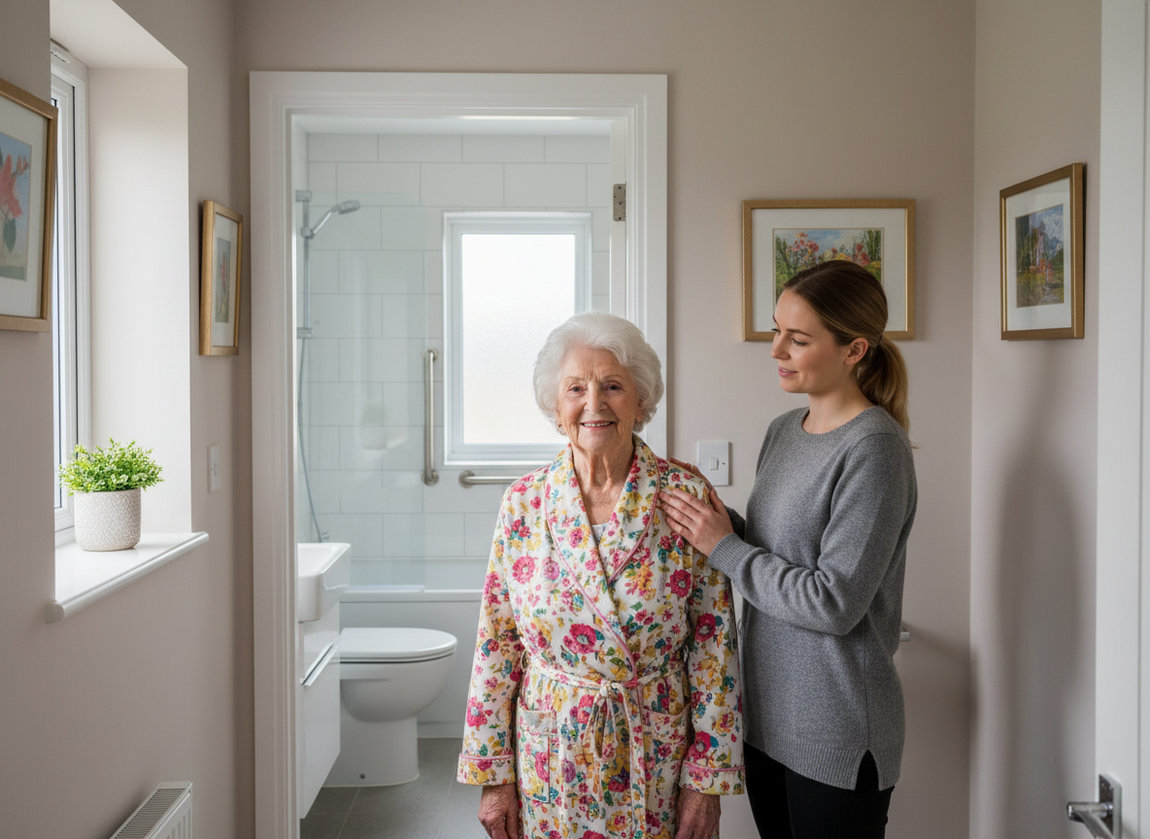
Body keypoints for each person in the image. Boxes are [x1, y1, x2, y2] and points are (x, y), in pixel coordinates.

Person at [457, 311, 744, 839]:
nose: (594, 403)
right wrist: (494, 778)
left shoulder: (684, 497)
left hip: (654, 755)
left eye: (612, 385)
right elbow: (496, 645)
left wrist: (705, 783)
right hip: (551, 757)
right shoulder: (523, 502)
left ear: (640, 400)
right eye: (576, 388)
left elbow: (714, 648)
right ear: (555, 403)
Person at [660, 259, 917, 839]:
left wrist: (723, 547)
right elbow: (780, 552)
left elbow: (833, 602)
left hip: (835, 729)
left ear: (854, 350)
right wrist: (713, 518)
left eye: (797, 339)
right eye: (777, 329)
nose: (776, 349)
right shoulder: (784, 429)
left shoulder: (876, 449)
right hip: (767, 720)